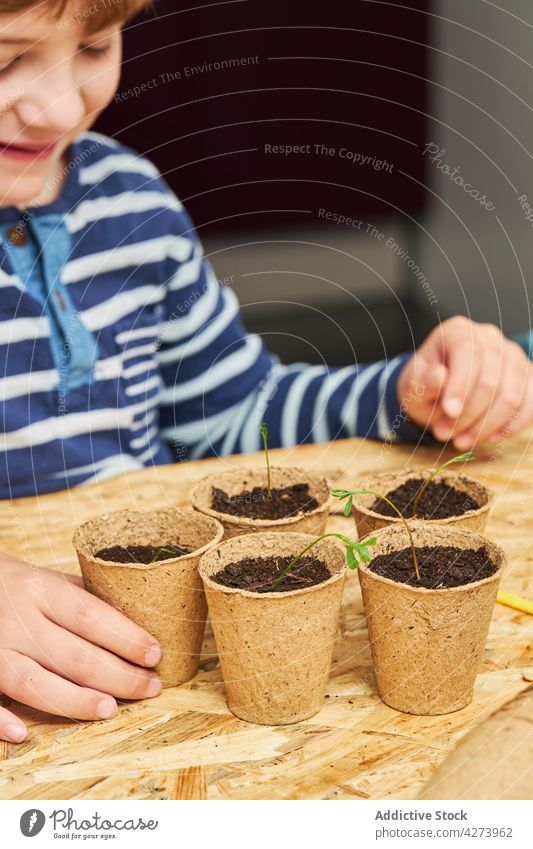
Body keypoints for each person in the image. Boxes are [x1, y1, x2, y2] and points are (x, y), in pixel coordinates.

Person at [0, 0, 531, 745]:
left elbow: (235, 412)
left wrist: (402, 391)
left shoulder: (134, 204)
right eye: (6, 58)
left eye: (93, 48)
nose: (60, 107)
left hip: (169, 703)